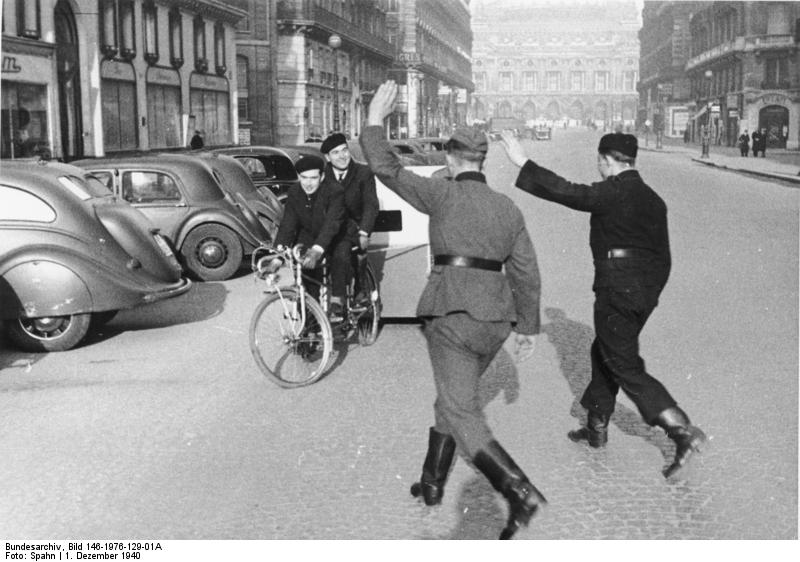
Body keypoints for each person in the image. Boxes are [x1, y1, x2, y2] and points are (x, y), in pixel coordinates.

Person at [361, 81, 546, 540]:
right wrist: (528, 328)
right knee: (453, 397)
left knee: (461, 408)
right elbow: (526, 273)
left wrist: (373, 120)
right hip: (496, 322)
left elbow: (386, 167)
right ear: (482, 161)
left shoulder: (441, 195)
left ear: (450, 159)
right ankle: (431, 483)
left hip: (450, 314)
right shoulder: (507, 208)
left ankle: (518, 490)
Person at [499, 130, 707, 480]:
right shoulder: (655, 200)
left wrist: (522, 161)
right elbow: (664, 259)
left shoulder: (611, 191)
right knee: (605, 351)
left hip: (616, 290)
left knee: (624, 363)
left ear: (607, 160)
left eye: (599, 161)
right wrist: (648, 295)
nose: (598, 167)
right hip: (645, 293)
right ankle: (596, 425)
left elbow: (566, 191)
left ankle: (681, 429)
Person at [263, 155, 346, 318]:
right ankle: (308, 328)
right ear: (298, 177)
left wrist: (317, 249)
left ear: (321, 177)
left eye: (313, 178)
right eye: (304, 178)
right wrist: (277, 257)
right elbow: (288, 224)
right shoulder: (294, 192)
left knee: (341, 256)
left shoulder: (335, 191)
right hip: (308, 237)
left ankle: (338, 301)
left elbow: (332, 224)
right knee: (305, 282)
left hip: (335, 236)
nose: (308, 183)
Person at [320, 132, 380, 315]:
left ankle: (343, 296)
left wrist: (364, 232)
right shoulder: (322, 177)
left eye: (345, 150)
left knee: (342, 251)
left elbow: (371, 205)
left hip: (354, 228)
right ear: (327, 157)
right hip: (329, 228)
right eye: (336, 153)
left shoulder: (363, 173)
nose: (342, 156)